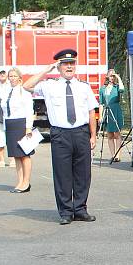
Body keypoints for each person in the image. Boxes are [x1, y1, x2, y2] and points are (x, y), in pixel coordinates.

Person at [23, 49, 98, 224]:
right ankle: (65, 212)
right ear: (59, 67)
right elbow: (26, 86)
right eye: (65, 64)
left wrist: (93, 136)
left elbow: (91, 112)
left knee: (83, 174)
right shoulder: (49, 85)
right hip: (60, 134)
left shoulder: (84, 86)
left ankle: (80, 209)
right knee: (62, 174)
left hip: (81, 133)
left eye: (72, 64)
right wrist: (46, 70)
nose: (69, 67)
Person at [2, 67, 34, 193]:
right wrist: (5, 127)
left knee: (24, 155)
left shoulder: (24, 92)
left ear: (20, 78)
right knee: (16, 156)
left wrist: (28, 128)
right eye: (10, 76)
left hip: (21, 124)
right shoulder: (6, 92)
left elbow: (29, 111)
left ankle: (26, 182)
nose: (12, 78)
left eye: (15, 76)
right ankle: (20, 181)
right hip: (10, 124)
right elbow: (4, 111)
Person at [98, 68, 124, 162]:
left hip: (115, 110)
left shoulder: (117, 87)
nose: (112, 77)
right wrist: (100, 116)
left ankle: (118, 155)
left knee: (117, 134)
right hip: (107, 111)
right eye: (110, 75)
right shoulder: (102, 88)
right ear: (107, 76)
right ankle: (113, 155)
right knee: (109, 135)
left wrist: (118, 77)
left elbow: (122, 89)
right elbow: (101, 103)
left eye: (113, 76)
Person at [0, 66, 14, 168]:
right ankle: (1, 160)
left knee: (11, 139)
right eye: (0, 73)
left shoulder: (12, 86)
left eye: (4, 73)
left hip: (11, 117)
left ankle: (13, 159)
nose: (2, 75)